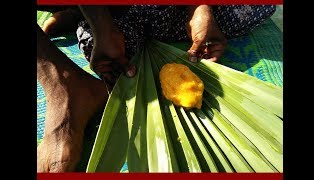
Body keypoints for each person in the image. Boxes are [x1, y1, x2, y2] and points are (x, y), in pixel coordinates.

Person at [37, 5, 276, 172]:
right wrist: (102, 26)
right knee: (103, 44)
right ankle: (71, 58)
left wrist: (200, 8)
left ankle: (84, 14)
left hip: (172, 10)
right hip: (117, 10)